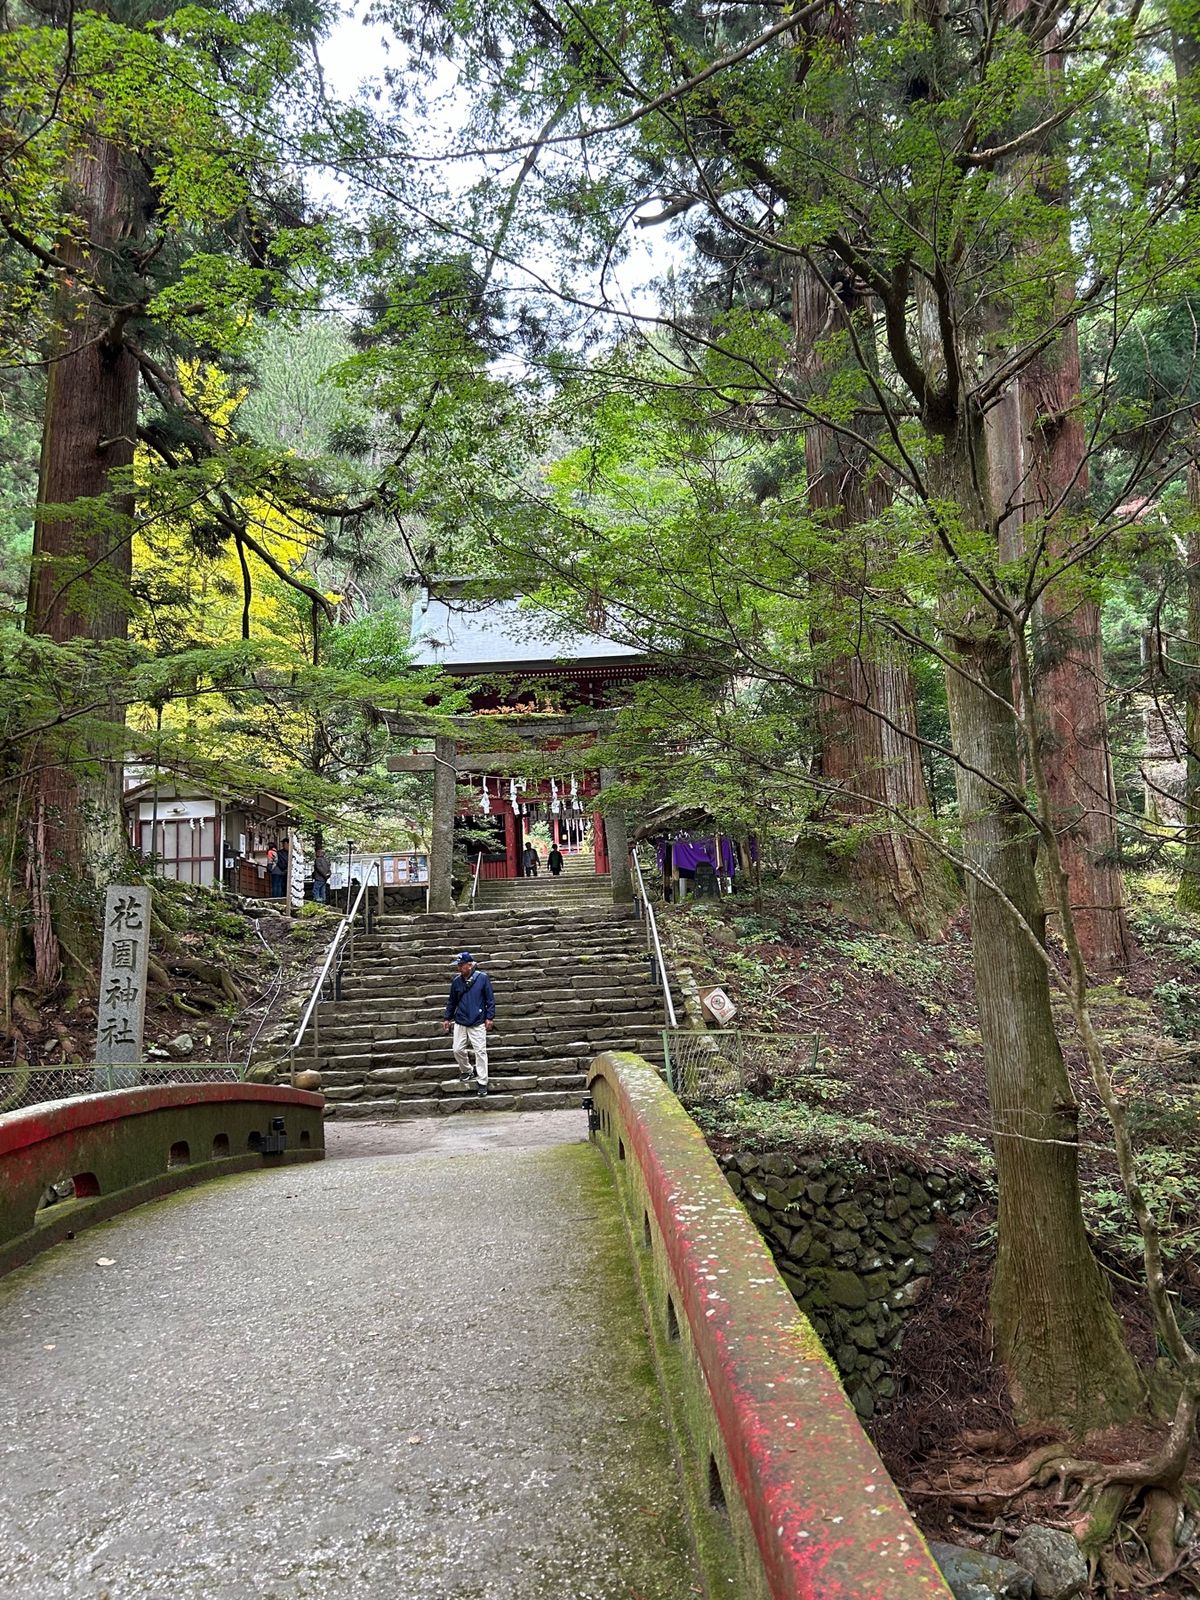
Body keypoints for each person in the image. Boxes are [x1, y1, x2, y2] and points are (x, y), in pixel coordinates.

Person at [442, 951, 494, 1097]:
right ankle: (467, 1070)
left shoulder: (482, 978)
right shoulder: (456, 981)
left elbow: (490, 999)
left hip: (477, 1020)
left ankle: (482, 1082)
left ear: (469, 965)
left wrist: (489, 1017)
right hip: (460, 1020)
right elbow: (452, 1001)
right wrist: (447, 1018)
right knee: (457, 1049)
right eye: (458, 965)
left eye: (461, 965)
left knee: (480, 1051)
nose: (459, 967)